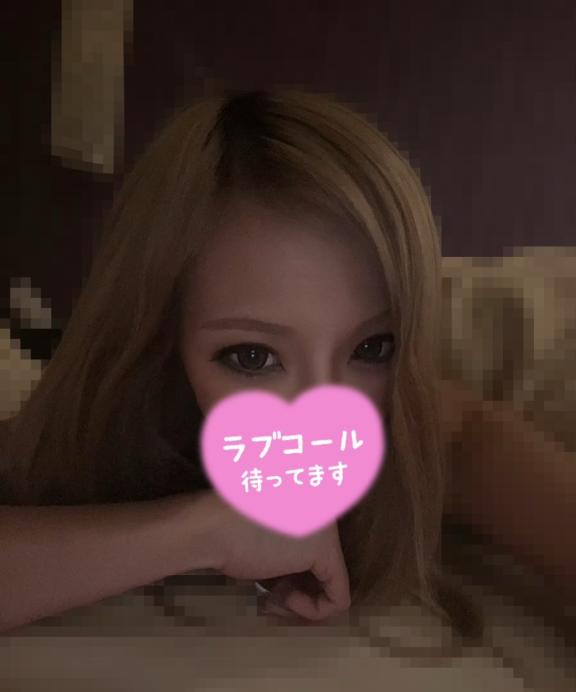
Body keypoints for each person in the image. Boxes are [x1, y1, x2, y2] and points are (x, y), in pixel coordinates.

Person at [0, 90, 574, 635]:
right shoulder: (100, 427)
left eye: (372, 349)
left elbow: (468, 439)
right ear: (162, 340)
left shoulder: (424, 430)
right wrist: (200, 531)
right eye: (253, 357)